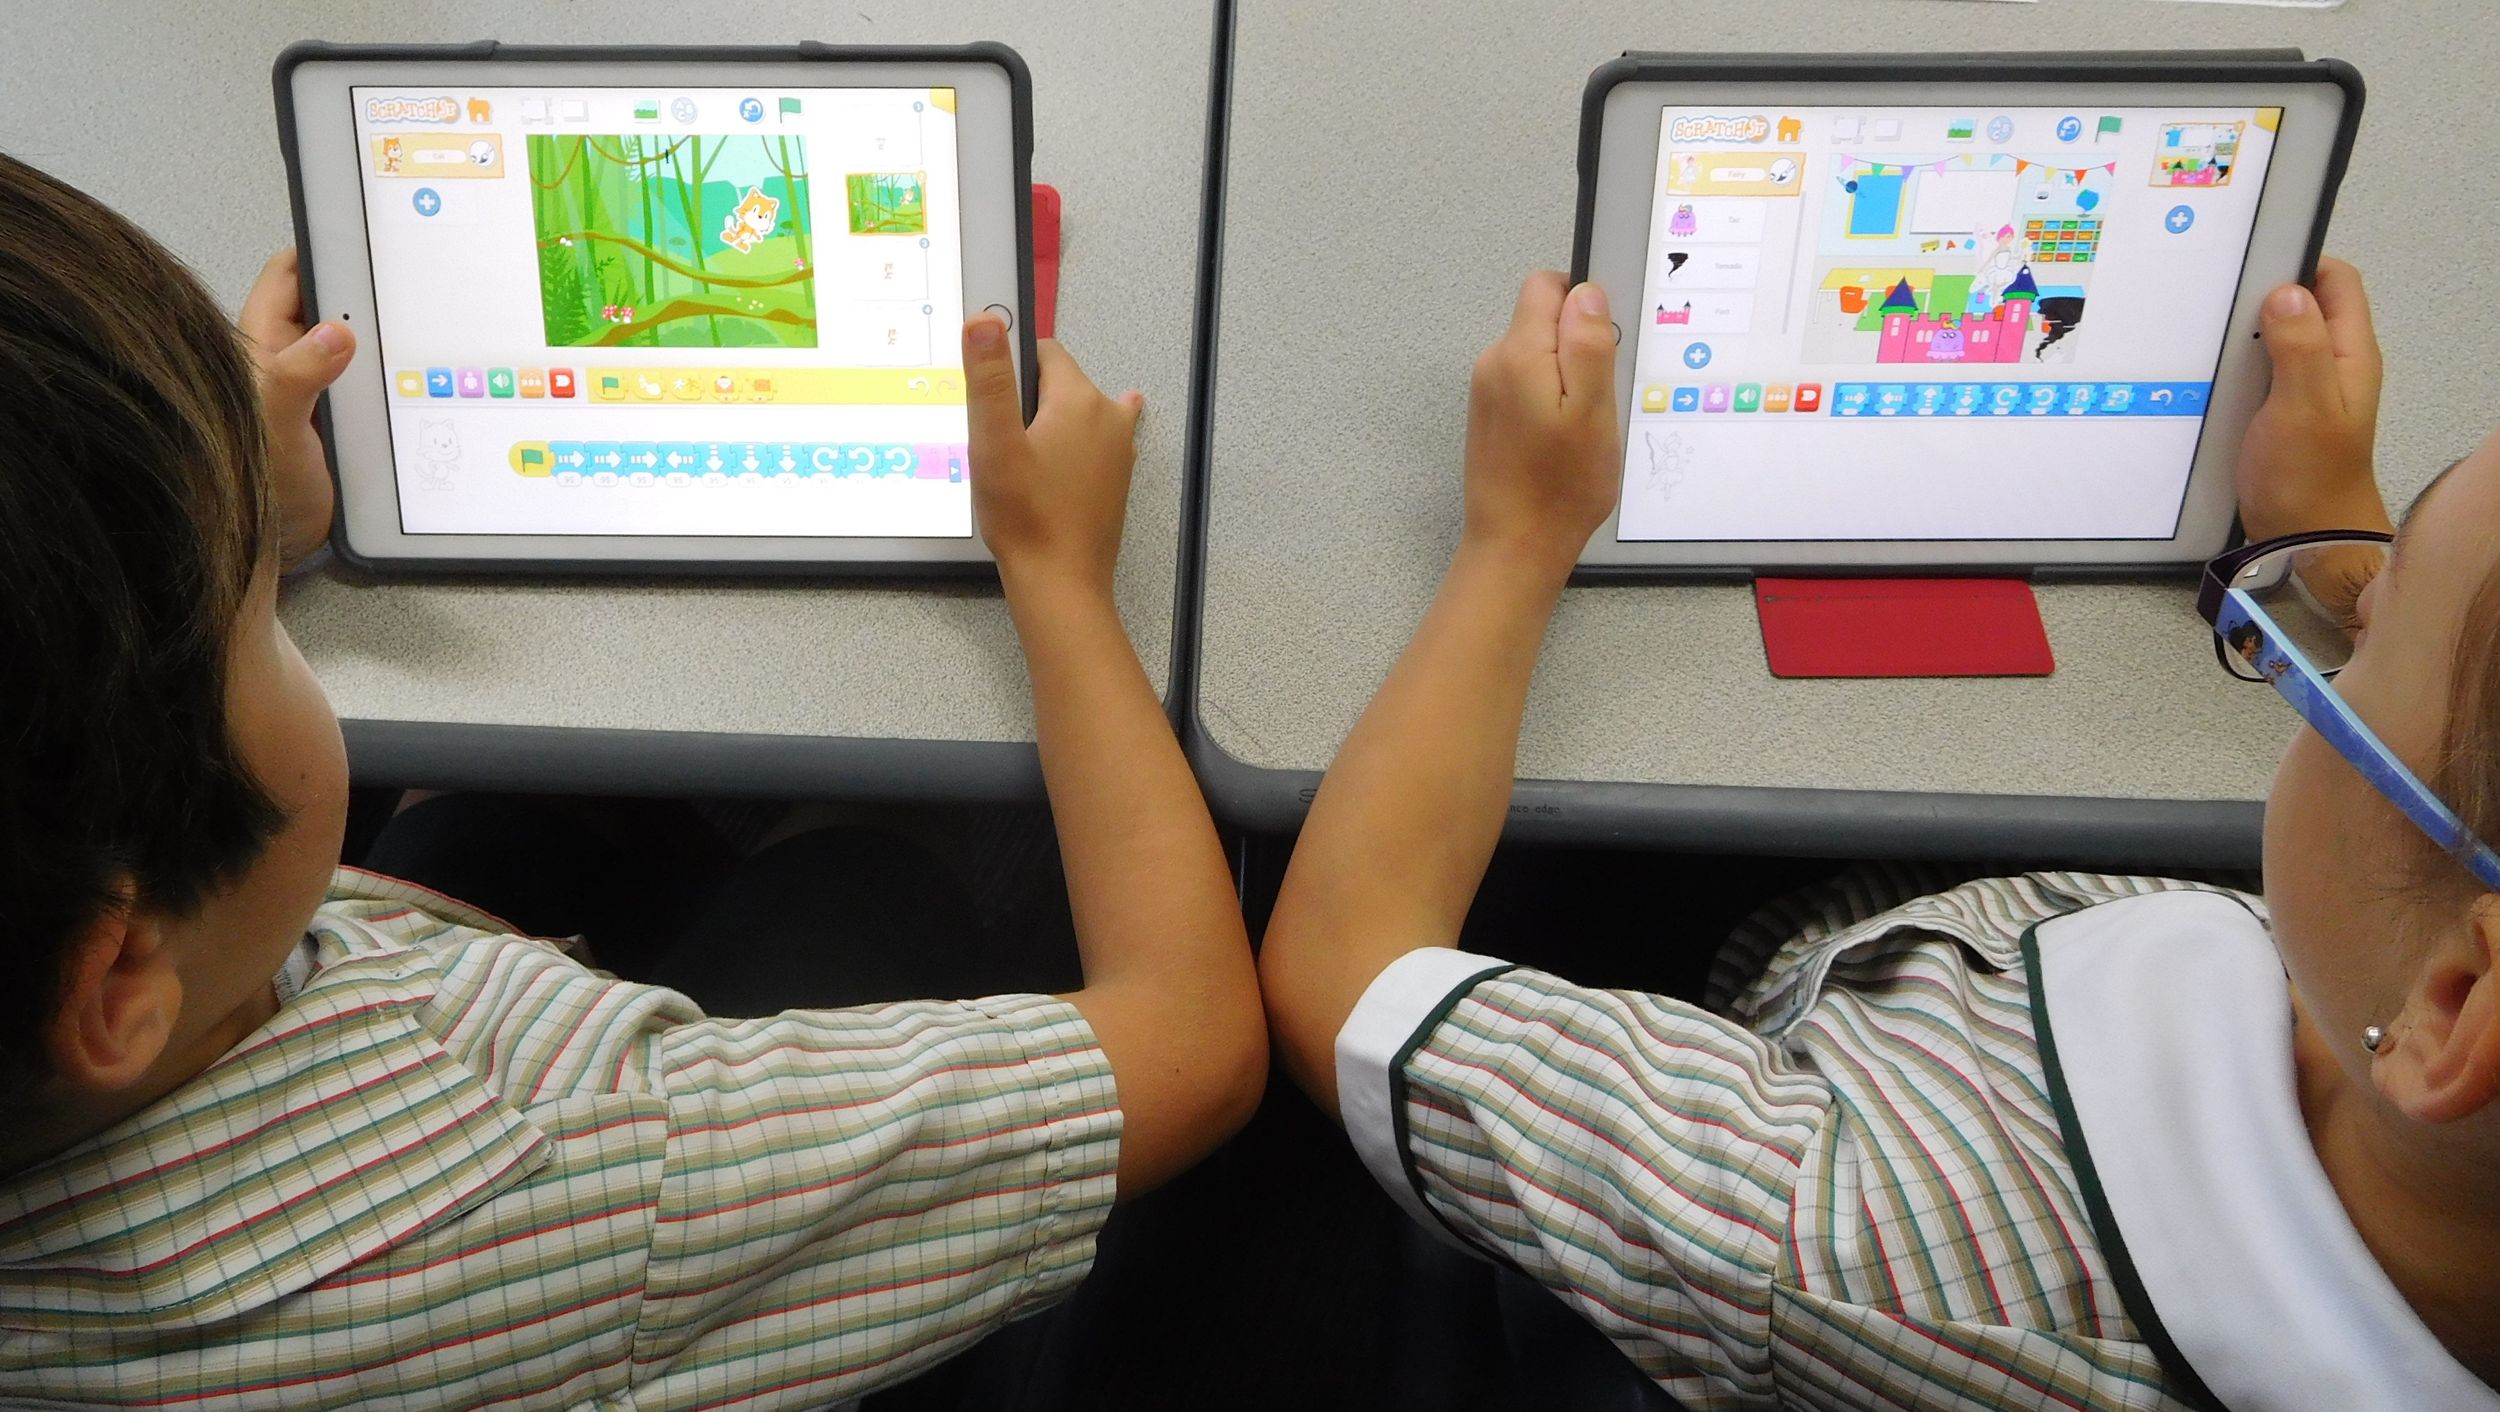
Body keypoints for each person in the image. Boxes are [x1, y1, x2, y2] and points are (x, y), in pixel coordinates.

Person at [0, 153, 1265, 1407]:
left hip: (384, 982)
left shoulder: (74, 994)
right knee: (860, 867)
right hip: (572, 1181)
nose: (273, 607)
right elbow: (1192, 1043)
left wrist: (240, 523)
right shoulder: (613, 1166)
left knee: (482, 808)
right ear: (113, 978)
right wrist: (1055, 570)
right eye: (259, 615)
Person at [1257, 258, 2500, 1408]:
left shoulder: (1836, 1229)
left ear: (2456, 1007)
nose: (2352, 616)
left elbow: (1344, 978)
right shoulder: (2406, 1033)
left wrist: (1516, 536)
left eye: (2372, 635)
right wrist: (2345, 554)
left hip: (1771, 1059)